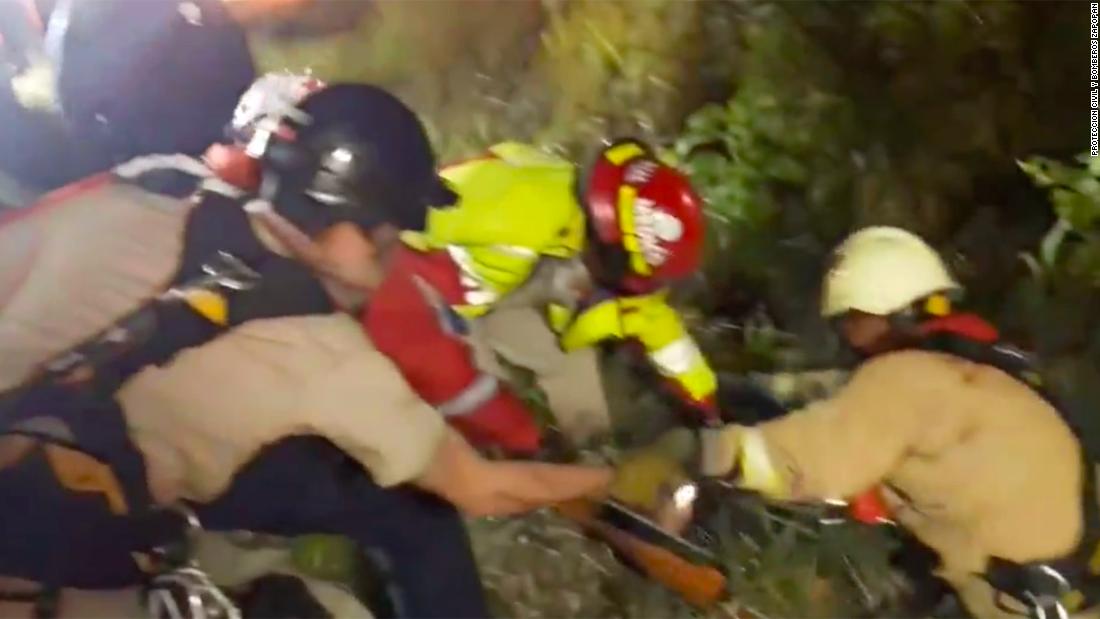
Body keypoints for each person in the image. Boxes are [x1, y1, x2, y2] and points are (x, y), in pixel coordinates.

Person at [0, 82, 612, 618]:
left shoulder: (150, 188)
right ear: (349, 230)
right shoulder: (331, 359)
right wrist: (611, 481)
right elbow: (482, 489)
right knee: (394, 535)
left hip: (51, 455)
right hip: (51, 552)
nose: (397, 251)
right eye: (391, 234)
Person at [611, 226, 1100, 618]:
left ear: (877, 312)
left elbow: (806, 460)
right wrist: (740, 392)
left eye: (850, 318)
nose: (846, 334)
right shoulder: (981, 366)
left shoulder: (906, 379)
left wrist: (698, 452)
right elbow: (836, 394)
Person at [358, 139, 717, 456]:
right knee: (479, 401)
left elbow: (653, 319)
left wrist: (705, 402)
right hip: (436, 298)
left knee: (569, 367)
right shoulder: (513, 200)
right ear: (609, 239)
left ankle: (593, 455)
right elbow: (388, 226)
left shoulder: (598, 237)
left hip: (504, 295)